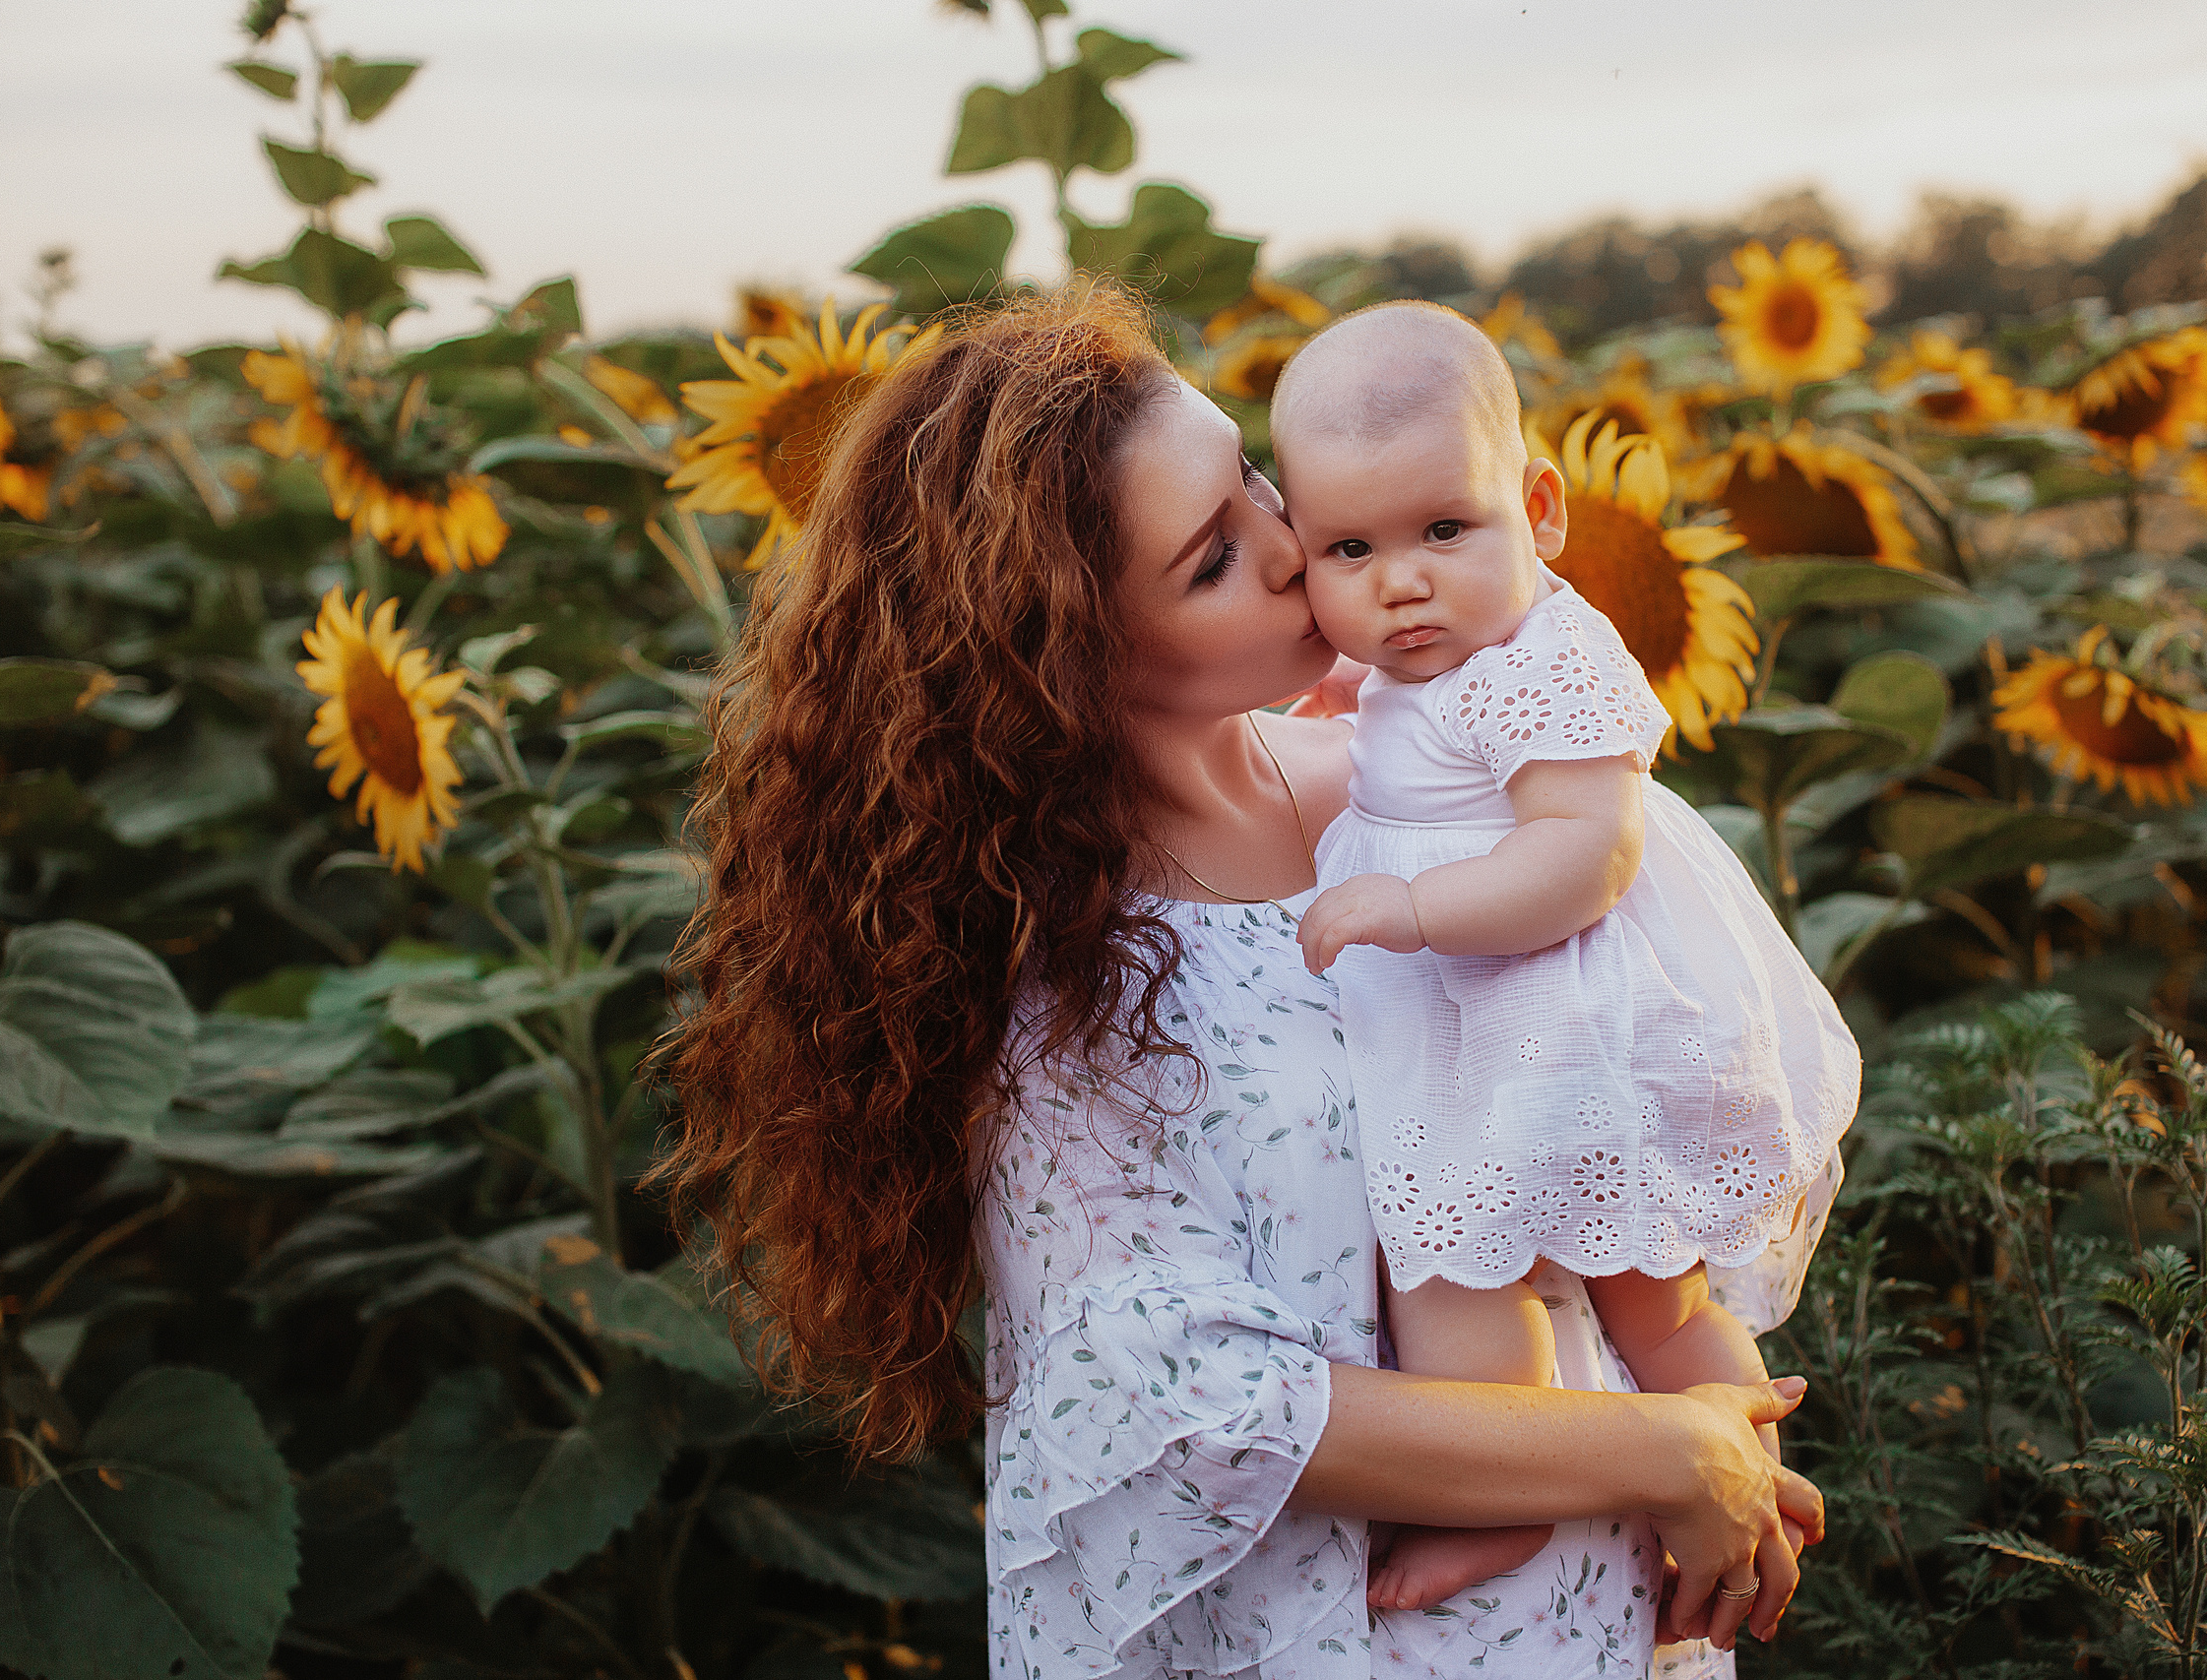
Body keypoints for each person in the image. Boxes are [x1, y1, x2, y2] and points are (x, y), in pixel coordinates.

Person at [658, 285, 1823, 1680]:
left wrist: (1720, 1429)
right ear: (1066, 659)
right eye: (1210, 562)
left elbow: (1636, 1076)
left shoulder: (1413, 791)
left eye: (1252, 480)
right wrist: (1657, 1451)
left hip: (1605, 1615)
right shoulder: (1075, 974)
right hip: (1345, 1639)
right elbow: (1185, 1400)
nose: (1291, 548)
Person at [1271, 303, 1860, 1612]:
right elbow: (1384, 732)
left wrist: (1406, 910)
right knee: (1465, 1282)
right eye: (1348, 550)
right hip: (1478, 1026)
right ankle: (1546, 1495)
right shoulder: (1410, 669)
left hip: (1564, 1021)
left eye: (1443, 530)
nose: (1401, 581)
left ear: (1539, 508)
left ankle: (1735, 1467)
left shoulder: (1550, 659)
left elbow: (1584, 853)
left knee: (1564, 1278)